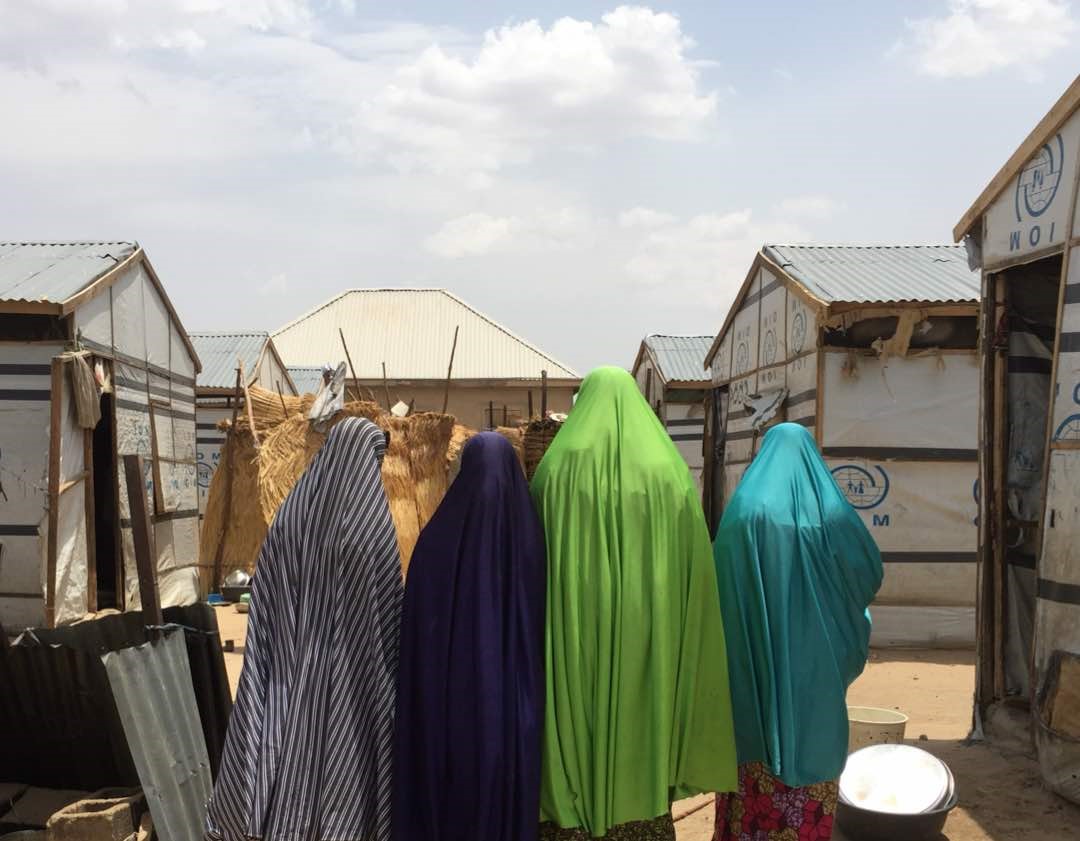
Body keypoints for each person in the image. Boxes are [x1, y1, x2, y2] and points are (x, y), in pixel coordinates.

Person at [530, 366, 738, 841]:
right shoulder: (669, 473)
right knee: (644, 714)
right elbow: (694, 573)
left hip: (573, 644)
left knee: (575, 723)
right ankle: (639, 805)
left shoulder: (554, 472)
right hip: (650, 639)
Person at [206, 417, 403, 841]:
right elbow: (387, 607)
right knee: (347, 760)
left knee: (284, 740)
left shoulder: (289, 517)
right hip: (354, 675)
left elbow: (265, 592)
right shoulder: (369, 525)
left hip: (288, 664)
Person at [711, 423, 883, 841]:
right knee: (812, 742)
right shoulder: (832, 512)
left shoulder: (743, 512)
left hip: (750, 673)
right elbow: (868, 571)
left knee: (749, 756)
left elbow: (716, 590)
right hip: (814, 675)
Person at [393, 432, 546, 841]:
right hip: (512, 718)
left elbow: (416, 647)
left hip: (445, 718)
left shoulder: (434, 543)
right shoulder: (529, 542)